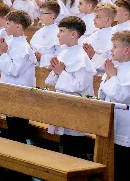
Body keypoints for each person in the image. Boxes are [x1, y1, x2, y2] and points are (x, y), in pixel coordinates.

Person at [44, 16, 96, 157]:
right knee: (66, 144)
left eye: (61, 30)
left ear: (73, 34)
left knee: (75, 148)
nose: (58, 34)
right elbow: (52, 82)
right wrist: (56, 72)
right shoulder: (64, 53)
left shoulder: (81, 57)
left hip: (76, 109)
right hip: (64, 107)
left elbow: (79, 85)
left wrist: (61, 72)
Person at [98, 31, 130, 180]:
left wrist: (112, 77)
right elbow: (102, 93)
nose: (111, 49)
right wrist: (110, 77)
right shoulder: (116, 67)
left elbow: (121, 96)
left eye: (115, 46)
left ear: (126, 50)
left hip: (127, 126)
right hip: (113, 121)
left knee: (124, 165)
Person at [0, 10, 36, 143]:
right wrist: (0, 54)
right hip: (9, 91)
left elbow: (14, 70)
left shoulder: (24, 48)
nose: (5, 26)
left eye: (8, 23)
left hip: (20, 96)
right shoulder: (9, 41)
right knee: (11, 126)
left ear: (18, 26)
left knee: (17, 132)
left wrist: (3, 54)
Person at [82, 4, 116, 75]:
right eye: (95, 16)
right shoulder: (93, 35)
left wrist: (93, 55)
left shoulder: (115, 38)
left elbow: (113, 65)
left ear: (108, 20)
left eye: (98, 17)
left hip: (103, 76)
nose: (94, 20)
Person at [30, 1, 63, 67]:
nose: (39, 16)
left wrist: (42, 58)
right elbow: (32, 49)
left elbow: (61, 56)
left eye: (42, 13)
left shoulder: (58, 34)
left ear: (52, 16)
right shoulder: (39, 32)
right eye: (39, 13)